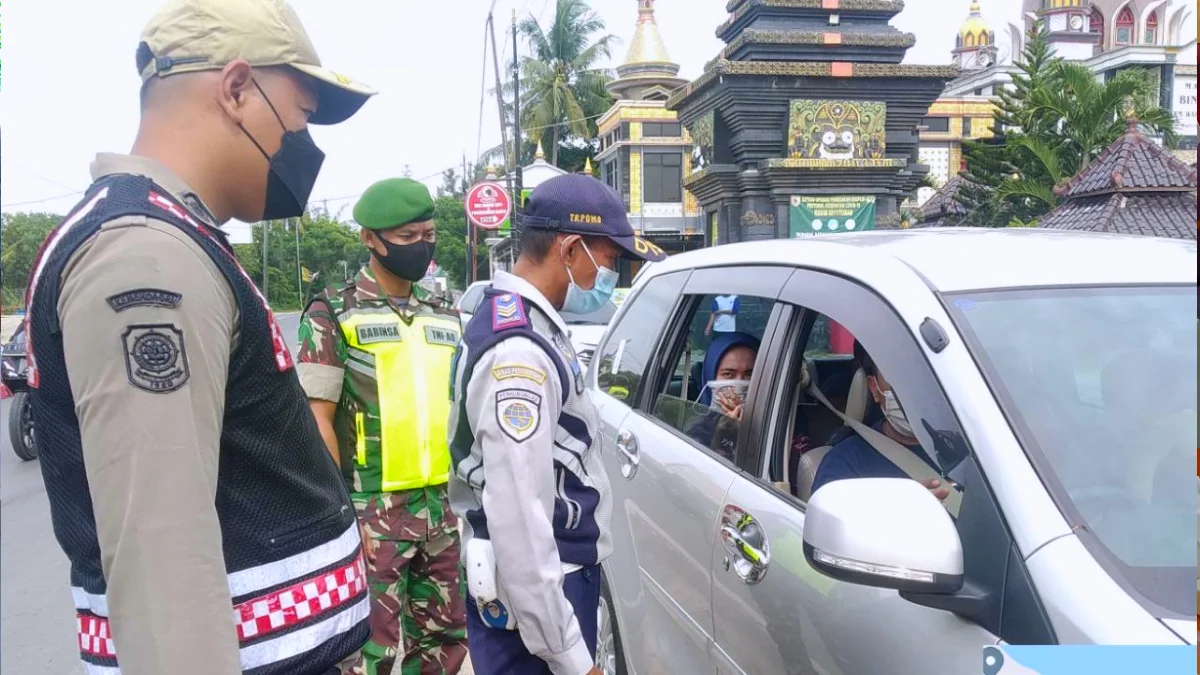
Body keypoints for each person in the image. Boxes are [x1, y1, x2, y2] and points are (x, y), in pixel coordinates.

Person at [23, 1, 376, 673]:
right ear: (238, 89)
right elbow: (164, 570)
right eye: (299, 116)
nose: (301, 143)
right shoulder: (148, 259)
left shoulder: (175, 241)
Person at [447, 174, 667, 675]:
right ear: (570, 250)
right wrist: (569, 654)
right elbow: (521, 523)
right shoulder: (518, 353)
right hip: (540, 606)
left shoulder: (517, 320)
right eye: (609, 260)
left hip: (537, 596)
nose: (611, 275)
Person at [297, 178, 468, 675]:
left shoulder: (445, 314)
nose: (422, 246)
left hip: (442, 508)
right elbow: (317, 420)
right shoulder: (334, 313)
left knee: (443, 642)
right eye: (407, 237)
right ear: (370, 239)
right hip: (372, 511)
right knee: (365, 651)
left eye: (428, 233)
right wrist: (338, 513)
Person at [810, 342, 951, 501]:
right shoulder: (845, 463)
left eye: (922, 377)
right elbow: (829, 523)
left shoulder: (970, 450)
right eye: (897, 377)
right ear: (874, 388)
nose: (911, 391)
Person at [688, 332, 760, 460]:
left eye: (749, 374)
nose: (739, 382)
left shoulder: (783, 420)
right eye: (728, 374)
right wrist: (728, 432)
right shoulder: (695, 433)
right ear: (711, 376)